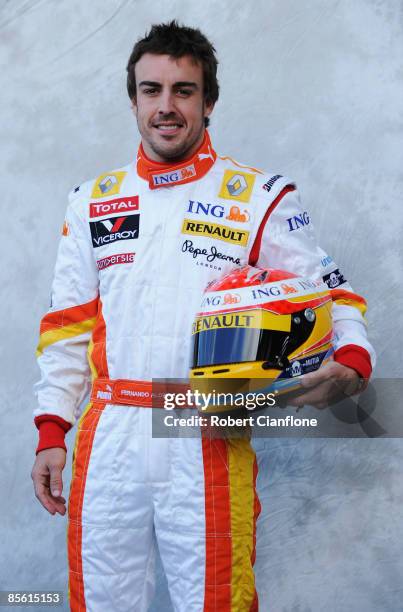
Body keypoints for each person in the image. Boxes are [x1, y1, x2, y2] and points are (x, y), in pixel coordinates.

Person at [31, 21, 375, 612]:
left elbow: (333, 295)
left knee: (218, 602)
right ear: (133, 98)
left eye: (183, 91)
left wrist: (351, 360)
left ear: (208, 100)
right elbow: (68, 327)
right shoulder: (91, 200)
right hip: (109, 435)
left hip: (205, 429)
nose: (166, 106)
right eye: (151, 90)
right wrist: (51, 431)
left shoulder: (258, 196)